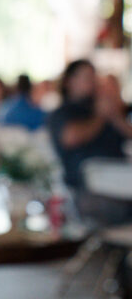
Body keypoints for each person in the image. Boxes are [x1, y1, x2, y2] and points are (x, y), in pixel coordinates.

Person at [46, 59, 132, 225]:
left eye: (93, 77)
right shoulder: (63, 113)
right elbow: (71, 137)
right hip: (87, 192)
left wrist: (115, 117)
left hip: (122, 184)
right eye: (86, 77)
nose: (92, 82)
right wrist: (100, 117)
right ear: (69, 81)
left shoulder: (104, 109)